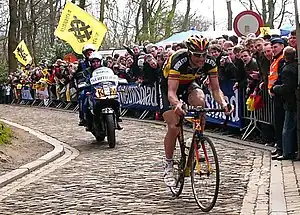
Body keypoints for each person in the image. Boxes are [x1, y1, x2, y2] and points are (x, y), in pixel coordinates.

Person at [161, 35, 232, 187]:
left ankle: (195, 139)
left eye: (204, 55)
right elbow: (172, 93)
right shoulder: (179, 60)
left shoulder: (210, 62)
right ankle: (168, 165)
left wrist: (224, 103)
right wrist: (177, 104)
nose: (201, 59)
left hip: (189, 84)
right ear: (189, 53)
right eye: (197, 55)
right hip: (170, 86)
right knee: (174, 125)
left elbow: (216, 89)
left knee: (201, 101)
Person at [86, 51, 123, 131]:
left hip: (107, 91)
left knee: (116, 101)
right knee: (86, 103)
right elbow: (85, 80)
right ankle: (88, 123)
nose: (95, 63)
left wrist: (119, 80)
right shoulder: (88, 71)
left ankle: (117, 118)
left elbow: (112, 77)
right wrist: (85, 85)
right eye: (93, 62)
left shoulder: (107, 70)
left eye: (97, 61)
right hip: (94, 92)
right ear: (90, 63)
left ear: (101, 61)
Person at [74, 44, 96, 126]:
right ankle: (82, 117)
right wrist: (80, 76)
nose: (90, 53)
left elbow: (107, 70)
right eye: (88, 52)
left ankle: (115, 117)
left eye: (91, 52)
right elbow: (77, 74)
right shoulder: (82, 63)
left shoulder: (100, 61)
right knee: (82, 96)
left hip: (99, 84)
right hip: (88, 84)